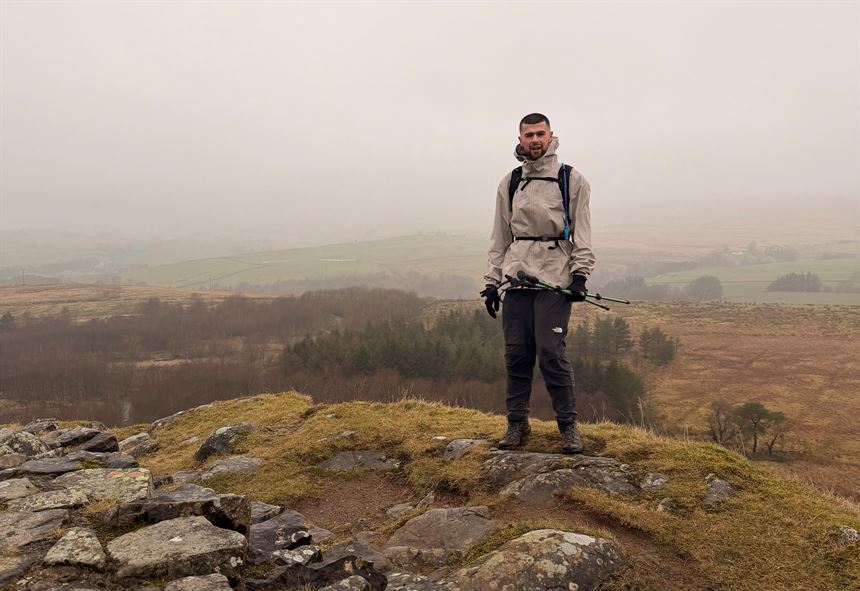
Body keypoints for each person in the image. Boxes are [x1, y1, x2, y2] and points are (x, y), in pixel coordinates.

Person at [480, 113, 595, 454]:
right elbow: (500, 236)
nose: (534, 139)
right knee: (516, 355)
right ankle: (517, 425)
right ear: (519, 137)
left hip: (555, 279)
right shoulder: (511, 182)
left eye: (540, 134)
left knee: (550, 352)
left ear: (550, 136)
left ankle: (569, 428)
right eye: (528, 134)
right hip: (516, 279)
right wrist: (492, 282)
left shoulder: (571, 179)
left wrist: (580, 276)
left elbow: (583, 232)